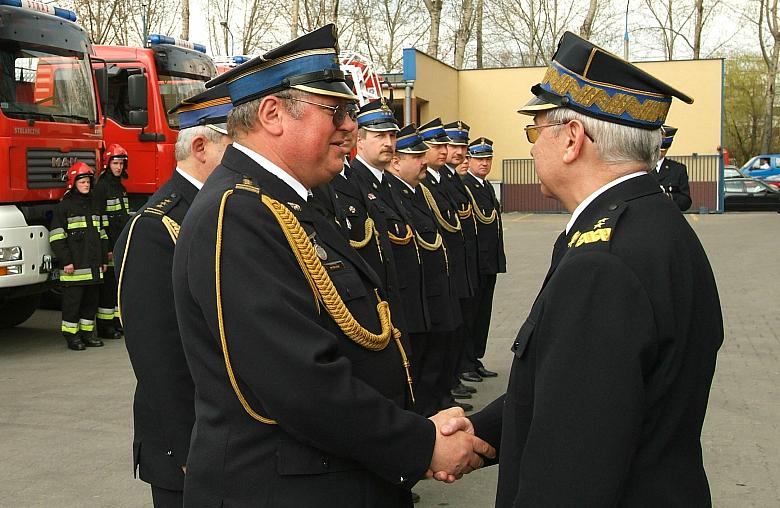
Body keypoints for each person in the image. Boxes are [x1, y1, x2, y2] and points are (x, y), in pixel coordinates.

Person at [171, 25, 493, 507]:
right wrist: (421, 444)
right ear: (273, 114)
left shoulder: (291, 202)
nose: (350, 127)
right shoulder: (237, 213)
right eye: (337, 112)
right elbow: (299, 383)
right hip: (284, 487)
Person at [438, 31, 723, 506]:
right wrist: (481, 434)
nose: (531, 148)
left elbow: (568, 466)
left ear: (572, 139)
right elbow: (574, 391)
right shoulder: (650, 221)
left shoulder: (602, 264)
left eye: (536, 130)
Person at [113, 84, 233, 508]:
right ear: (200, 146)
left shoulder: (223, 209)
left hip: (228, 437)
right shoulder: (156, 227)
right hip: (186, 444)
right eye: (233, 147)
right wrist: (188, 447)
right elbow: (156, 353)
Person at [386, 122, 462, 417]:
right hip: (416, 291)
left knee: (437, 353)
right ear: (397, 163)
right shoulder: (396, 192)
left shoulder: (418, 191)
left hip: (434, 286)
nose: (423, 162)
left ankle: (438, 402)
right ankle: (428, 411)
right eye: (416, 157)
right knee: (422, 362)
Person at [419, 118, 474, 412]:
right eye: (437, 146)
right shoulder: (423, 185)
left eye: (445, 145)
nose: (443, 151)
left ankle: (450, 383)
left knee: (455, 329)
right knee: (438, 340)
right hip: (434, 274)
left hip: (452, 267)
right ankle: (442, 391)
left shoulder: (447, 180)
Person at [49, 162, 108, 351]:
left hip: (93, 268)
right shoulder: (64, 208)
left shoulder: (94, 206)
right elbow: (57, 238)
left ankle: (87, 334)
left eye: (88, 182)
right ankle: (72, 337)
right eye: (82, 182)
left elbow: (102, 235)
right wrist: (66, 261)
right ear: (73, 183)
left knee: (90, 304)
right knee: (73, 305)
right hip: (74, 268)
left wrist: (103, 260)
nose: (86, 185)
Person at [442, 120, 480, 401]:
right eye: (452, 145)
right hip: (445, 270)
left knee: (468, 320)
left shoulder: (450, 178)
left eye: (459, 146)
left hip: (463, 264)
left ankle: (461, 370)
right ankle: (452, 378)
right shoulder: (438, 180)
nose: (455, 151)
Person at [460, 137, 505, 380]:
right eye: (479, 159)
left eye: (487, 159)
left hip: (489, 261)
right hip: (476, 262)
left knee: (482, 313)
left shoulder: (485, 186)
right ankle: (465, 362)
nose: (484, 164)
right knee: (471, 314)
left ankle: (476, 357)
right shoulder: (466, 185)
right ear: (469, 160)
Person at [93, 143, 131, 340]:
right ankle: (105, 326)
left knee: (117, 285)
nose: (119, 167)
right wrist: (105, 248)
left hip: (119, 243)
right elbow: (99, 221)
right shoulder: (102, 188)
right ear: (108, 164)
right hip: (109, 245)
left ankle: (116, 322)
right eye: (115, 163)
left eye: (121, 164)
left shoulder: (121, 187)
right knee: (107, 288)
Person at [654, 125, 692, 211]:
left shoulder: (678, 169)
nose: (660, 152)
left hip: (670, 217)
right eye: (658, 149)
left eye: (663, 150)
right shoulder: (643, 168)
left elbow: (686, 202)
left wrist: (670, 197)